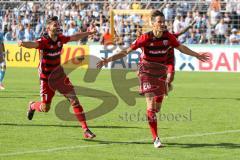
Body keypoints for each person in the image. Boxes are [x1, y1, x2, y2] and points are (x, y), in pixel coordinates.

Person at [97, 10, 209, 148]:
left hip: (160, 72)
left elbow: (181, 48)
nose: (162, 24)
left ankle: (156, 109)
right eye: (159, 22)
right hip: (146, 71)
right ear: (152, 23)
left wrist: (196, 55)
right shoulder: (145, 38)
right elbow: (126, 51)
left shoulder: (168, 37)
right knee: (150, 104)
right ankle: (156, 138)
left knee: (157, 107)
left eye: (163, 22)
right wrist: (107, 60)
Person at [18, 16, 96, 139]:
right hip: (46, 79)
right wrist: (23, 44)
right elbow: (33, 44)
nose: (58, 26)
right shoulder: (43, 41)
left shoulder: (60, 38)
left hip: (60, 76)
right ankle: (32, 105)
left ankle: (86, 130)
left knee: (74, 100)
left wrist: (88, 33)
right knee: (45, 108)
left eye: (58, 24)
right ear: (48, 27)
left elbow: (74, 37)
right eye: (55, 25)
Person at [166, 20, 196, 94]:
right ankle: (163, 91)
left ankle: (167, 86)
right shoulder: (157, 39)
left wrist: (189, 26)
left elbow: (181, 32)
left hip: (170, 61)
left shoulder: (171, 36)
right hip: (160, 61)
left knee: (170, 78)